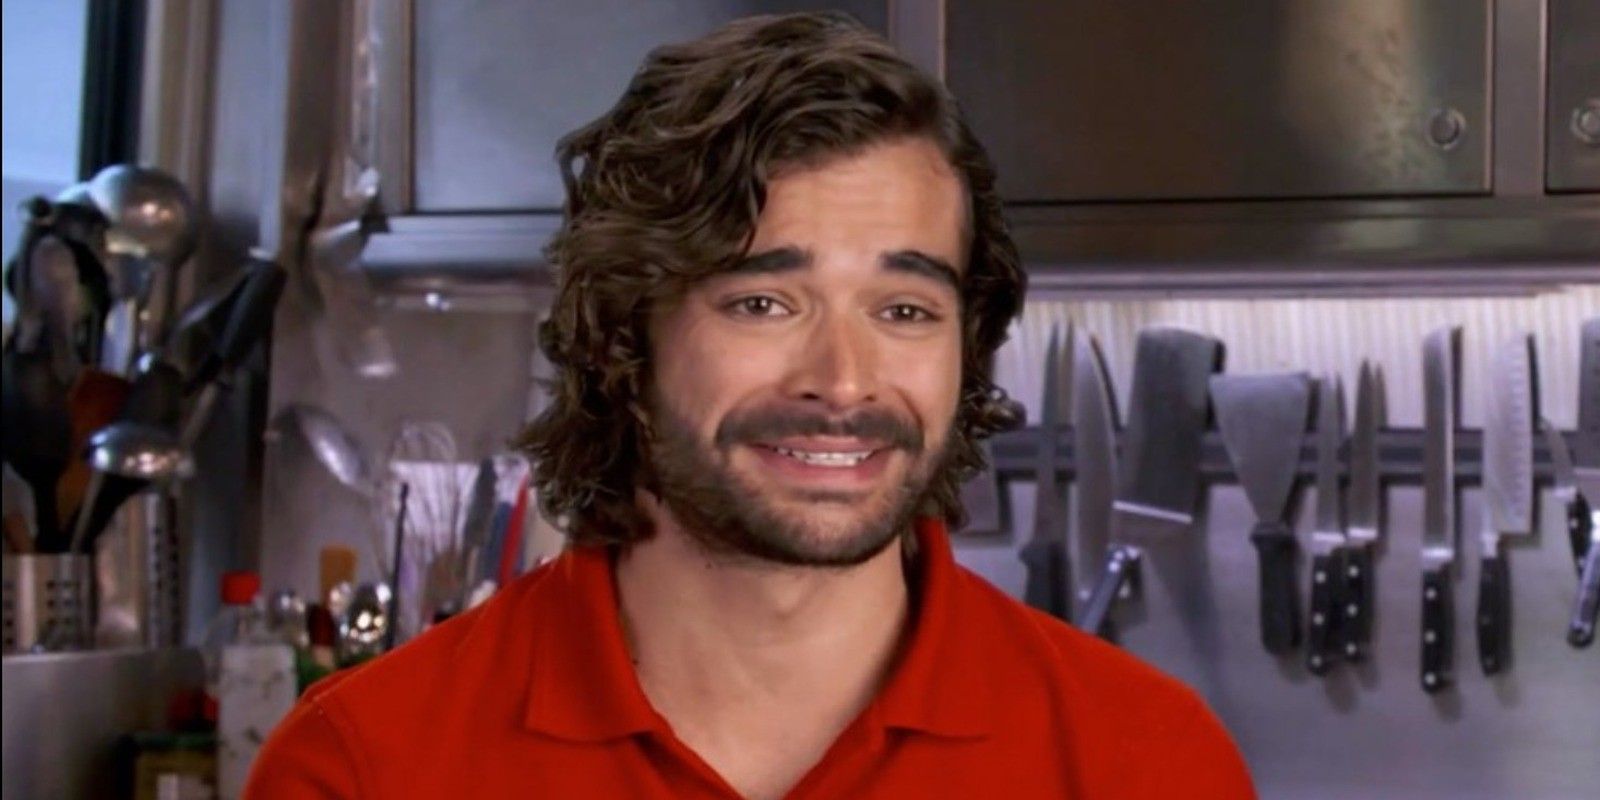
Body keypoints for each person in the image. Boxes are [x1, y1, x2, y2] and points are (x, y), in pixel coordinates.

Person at [247, 12, 1254, 799]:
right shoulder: (367, 764)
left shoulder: (1144, 759)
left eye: (903, 308)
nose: (844, 377)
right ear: (623, 337)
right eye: (762, 301)